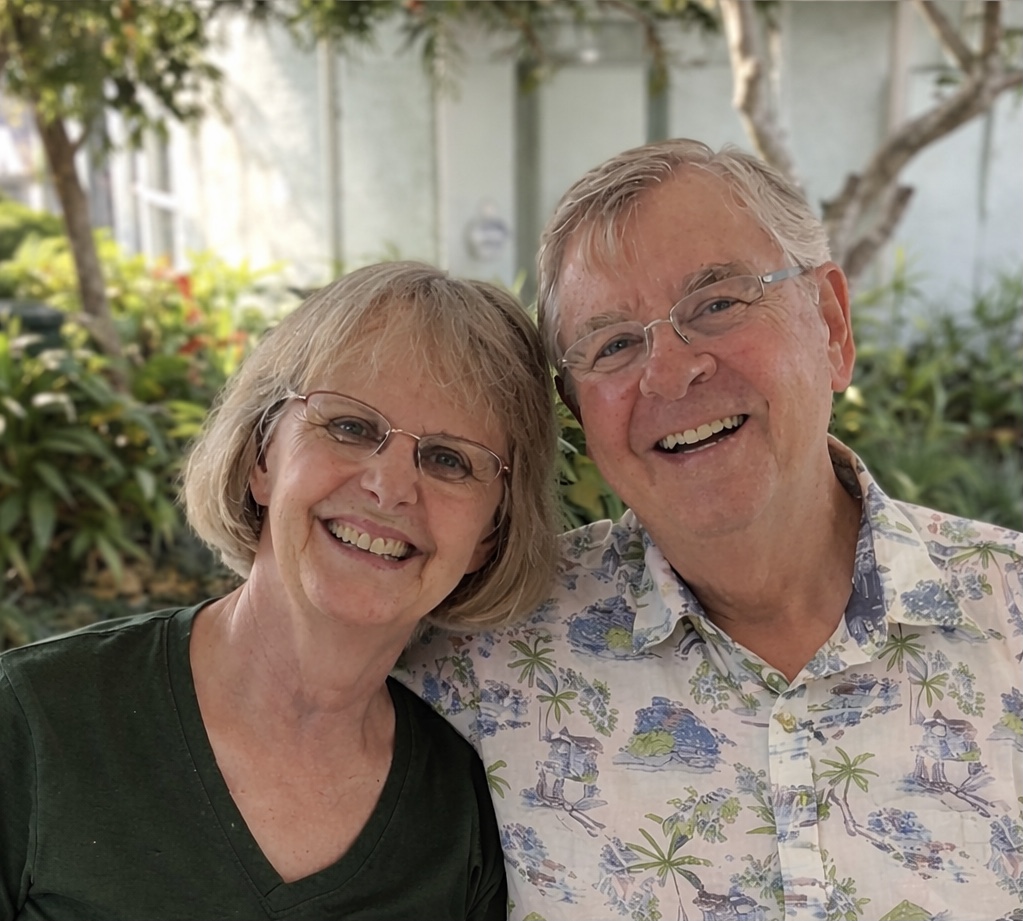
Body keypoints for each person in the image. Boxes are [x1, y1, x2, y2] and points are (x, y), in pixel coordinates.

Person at [397, 140, 1023, 921]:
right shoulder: (480, 655)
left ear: (829, 325)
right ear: (574, 410)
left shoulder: (1010, 616)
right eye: (613, 343)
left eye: (716, 304)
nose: (669, 371)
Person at [0, 261, 562, 921]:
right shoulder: (35, 723)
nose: (390, 485)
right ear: (262, 456)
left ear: (490, 536)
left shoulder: (458, 810)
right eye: (350, 426)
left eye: (447, 459)